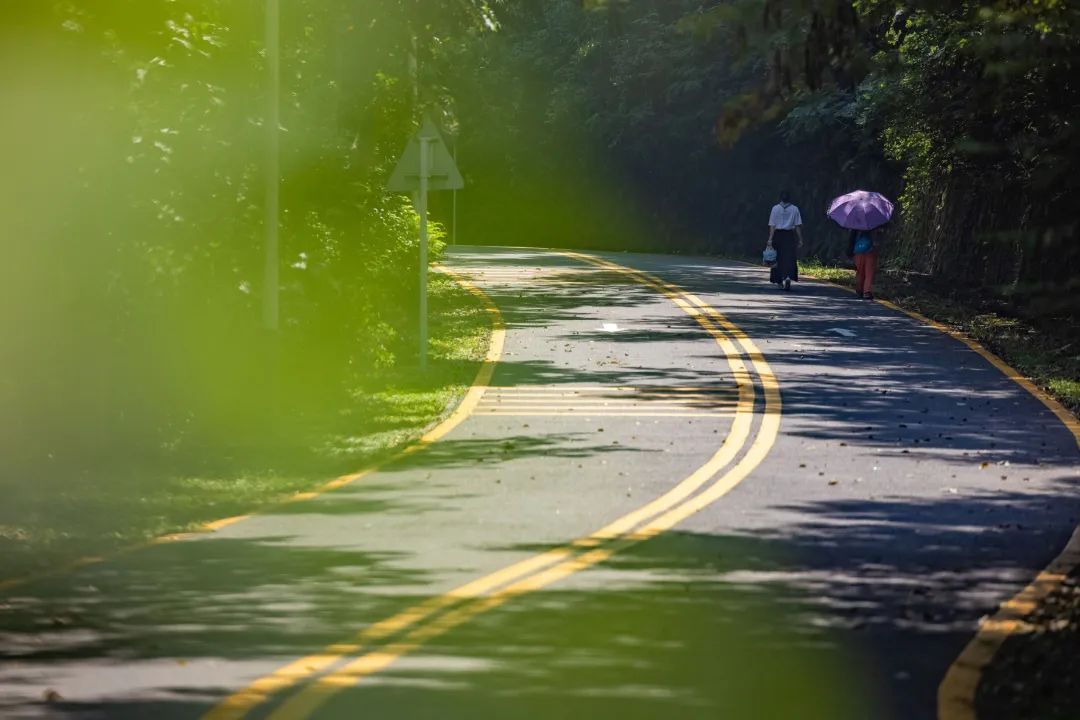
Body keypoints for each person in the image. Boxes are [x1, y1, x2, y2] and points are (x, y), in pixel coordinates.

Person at [767, 191, 803, 290]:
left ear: (780, 198)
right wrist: (800, 239)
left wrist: (770, 239)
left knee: (777, 258)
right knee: (789, 258)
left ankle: (779, 281)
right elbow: (797, 226)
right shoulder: (795, 209)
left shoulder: (775, 208)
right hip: (789, 236)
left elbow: (772, 226)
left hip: (778, 235)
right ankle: (787, 277)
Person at [847, 225, 882, 299]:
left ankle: (859, 289)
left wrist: (850, 251)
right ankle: (866, 291)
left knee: (860, 271)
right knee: (869, 272)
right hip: (870, 251)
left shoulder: (855, 224)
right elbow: (876, 240)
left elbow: (851, 239)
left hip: (858, 250)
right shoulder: (874, 223)